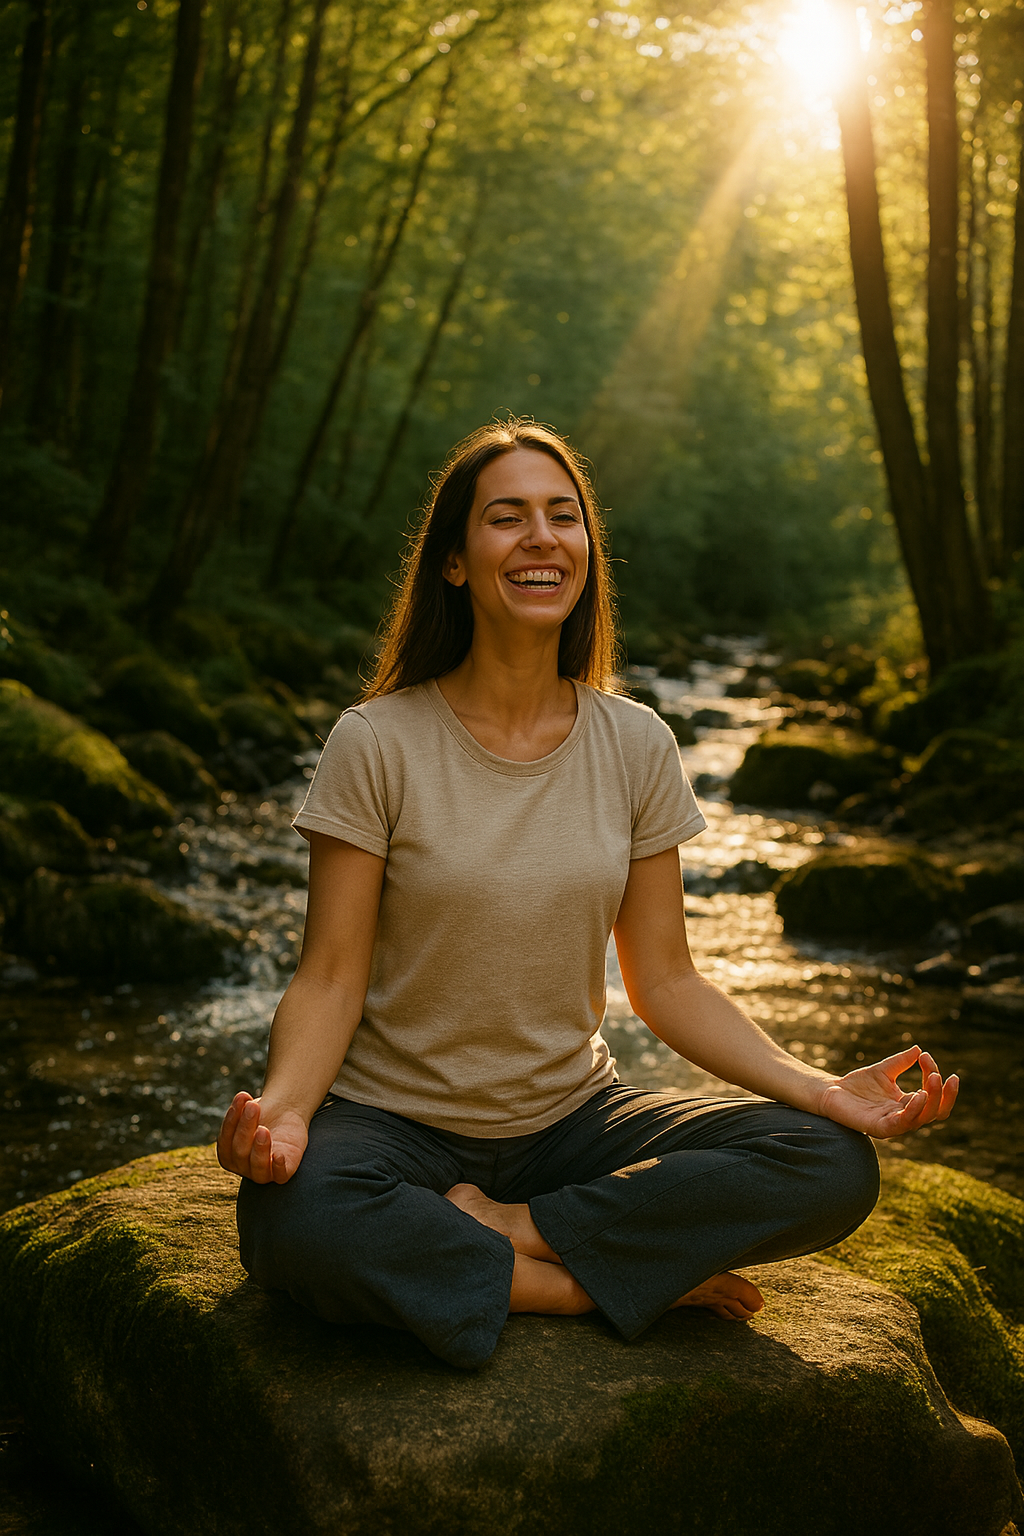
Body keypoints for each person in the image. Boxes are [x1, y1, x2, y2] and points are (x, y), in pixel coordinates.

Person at [218, 419, 958, 1370]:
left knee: (829, 1163)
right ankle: (572, 1282)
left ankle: (516, 1227)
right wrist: (284, 1113)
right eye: (506, 518)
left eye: (562, 517)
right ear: (454, 561)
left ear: (586, 553)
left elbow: (670, 983)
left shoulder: (636, 743)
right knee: (294, 1215)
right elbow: (328, 978)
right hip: (391, 1125)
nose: (541, 538)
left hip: (570, 1124)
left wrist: (821, 1091)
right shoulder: (377, 744)